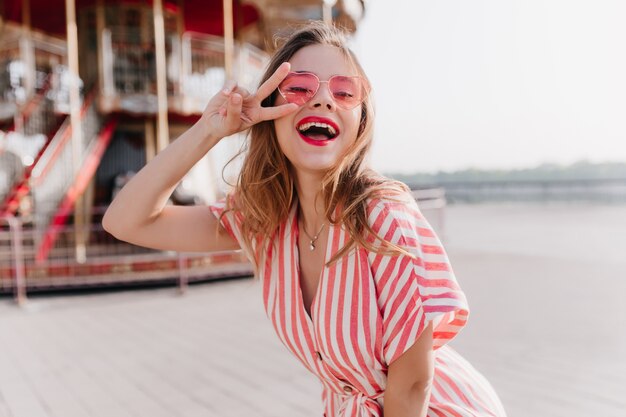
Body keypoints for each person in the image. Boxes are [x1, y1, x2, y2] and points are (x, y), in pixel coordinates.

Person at [103, 22, 507, 417]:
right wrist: (210, 131)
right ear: (272, 112)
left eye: (345, 91)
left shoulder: (383, 215)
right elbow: (126, 221)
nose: (324, 100)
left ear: (360, 122)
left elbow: (413, 386)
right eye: (300, 87)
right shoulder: (267, 218)